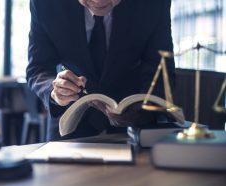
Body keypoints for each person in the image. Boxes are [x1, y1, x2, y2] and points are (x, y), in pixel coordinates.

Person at [26, 0, 175, 141]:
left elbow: (161, 68)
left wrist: (144, 109)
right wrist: (54, 92)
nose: (99, 2)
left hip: (133, 127)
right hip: (70, 126)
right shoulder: (44, 3)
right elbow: (38, 68)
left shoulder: (155, 3)